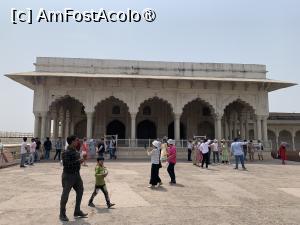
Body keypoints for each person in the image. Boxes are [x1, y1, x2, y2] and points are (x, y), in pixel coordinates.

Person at [59, 135, 87, 222]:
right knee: (65, 195)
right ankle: (62, 214)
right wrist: (80, 161)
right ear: (71, 142)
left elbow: (76, 162)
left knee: (80, 191)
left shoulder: (75, 150)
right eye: (76, 141)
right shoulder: (66, 152)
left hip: (76, 175)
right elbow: (67, 165)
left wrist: (82, 160)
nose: (77, 142)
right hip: (68, 176)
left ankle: (77, 210)